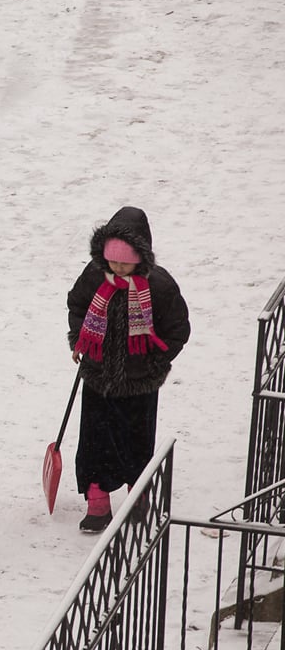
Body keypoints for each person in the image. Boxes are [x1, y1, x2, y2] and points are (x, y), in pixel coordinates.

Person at [67, 206, 190, 533]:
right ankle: (97, 503)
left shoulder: (159, 286)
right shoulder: (94, 277)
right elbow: (77, 306)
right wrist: (81, 339)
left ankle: (138, 497)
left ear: (141, 257)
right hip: (98, 379)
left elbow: (178, 328)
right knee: (94, 442)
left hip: (140, 384)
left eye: (125, 262)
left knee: (136, 443)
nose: (118, 268)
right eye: (113, 261)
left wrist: (156, 362)